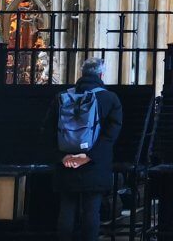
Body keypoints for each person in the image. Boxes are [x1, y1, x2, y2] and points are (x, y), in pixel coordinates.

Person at [45, 57, 122, 241]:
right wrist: (89, 156)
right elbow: (111, 135)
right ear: (101, 75)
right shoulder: (110, 99)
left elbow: (48, 129)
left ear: (82, 74)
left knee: (66, 209)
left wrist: (62, 157)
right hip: (94, 164)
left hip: (66, 161)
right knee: (91, 210)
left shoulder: (62, 97)